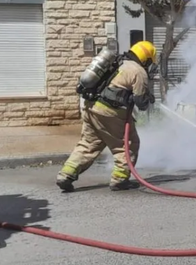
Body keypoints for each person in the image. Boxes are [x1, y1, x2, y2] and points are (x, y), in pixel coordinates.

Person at [56, 41, 157, 192]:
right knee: (127, 144)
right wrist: (149, 98)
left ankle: (65, 174)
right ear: (146, 59)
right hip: (110, 112)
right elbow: (141, 103)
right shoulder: (138, 71)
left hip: (90, 107)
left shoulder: (118, 62)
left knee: (88, 144)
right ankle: (120, 179)